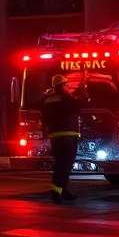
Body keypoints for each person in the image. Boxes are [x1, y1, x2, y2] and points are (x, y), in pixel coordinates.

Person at [36, 74, 81, 205]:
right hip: (68, 136)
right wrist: (81, 93)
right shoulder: (66, 98)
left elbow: (37, 105)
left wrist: (45, 95)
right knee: (64, 165)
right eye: (67, 85)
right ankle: (55, 192)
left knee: (62, 164)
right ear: (63, 85)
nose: (68, 87)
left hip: (55, 136)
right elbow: (78, 106)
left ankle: (63, 190)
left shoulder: (48, 99)